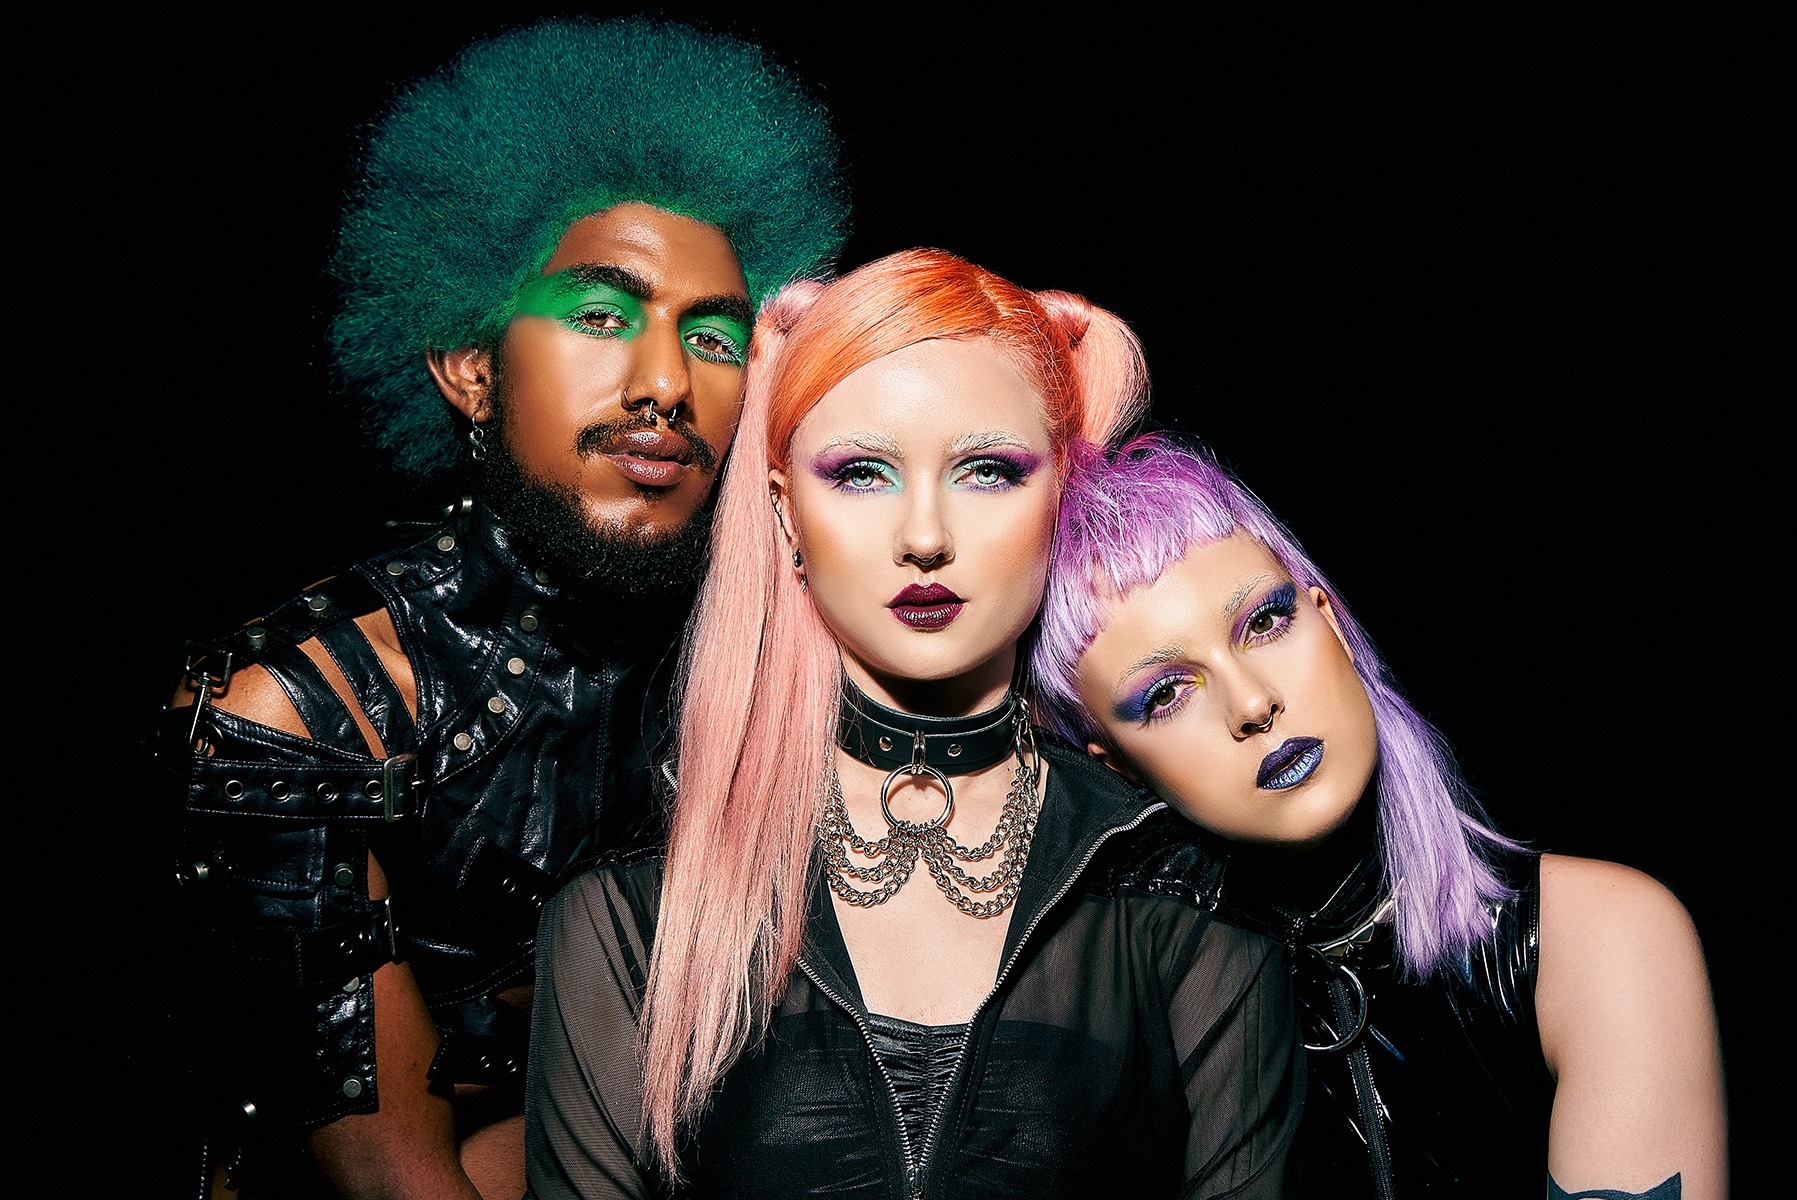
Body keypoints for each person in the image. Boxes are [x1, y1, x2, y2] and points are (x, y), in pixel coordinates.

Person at [151, 16, 848, 1199]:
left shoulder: (781, 660)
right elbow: (399, 1183)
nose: (667, 384)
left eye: (716, 335)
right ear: (470, 366)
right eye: (601, 316)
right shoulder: (299, 709)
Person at [524, 249, 1306, 1198]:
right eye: (861, 473)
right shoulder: (632, 904)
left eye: (987, 471)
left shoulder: (1178, 887)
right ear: (785, 514)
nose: (924, 537)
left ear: (1062, 492)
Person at [1027, 431, 1729, 1199]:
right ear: (1117, 768)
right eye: (1166, 693)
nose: (1253, 703)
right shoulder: (1113, 1041)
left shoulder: (1593, 937)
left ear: (1326, 621)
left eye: (1263, 623)